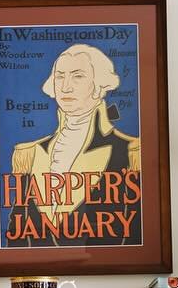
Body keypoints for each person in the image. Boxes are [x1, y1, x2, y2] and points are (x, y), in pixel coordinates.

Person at [10, 41, 139, 184]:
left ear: (99, 84)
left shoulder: (130, 151)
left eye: (77, 76)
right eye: (59, 77)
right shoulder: (30, 153)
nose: (65, 87)